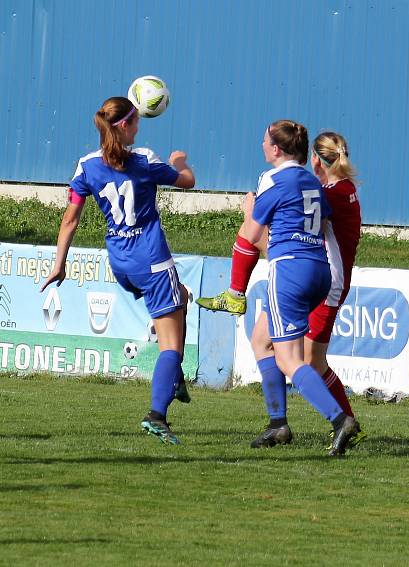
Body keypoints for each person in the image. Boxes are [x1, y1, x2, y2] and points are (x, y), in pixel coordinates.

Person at [40, 96, 196, 445]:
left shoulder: (86, 166)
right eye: (136, 121)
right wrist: (180, 161)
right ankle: (157, 414)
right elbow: (187, 181)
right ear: (124, 125)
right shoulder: (145, 160)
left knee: (181, 297)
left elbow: (70, 219)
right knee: (171, 344)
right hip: (152, 259)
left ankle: (173, 378)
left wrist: (59, 264)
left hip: (121, 261)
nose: (139, 127)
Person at [197, 131, 365, 448]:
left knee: (298, 360)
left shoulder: (322, 190)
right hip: (322, 274)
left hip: (307, 276)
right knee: (262, 339)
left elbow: (267, 239)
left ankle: (341, 420)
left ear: (316, 159)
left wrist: (252, 214)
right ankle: (278, 424)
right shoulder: (331, 189)